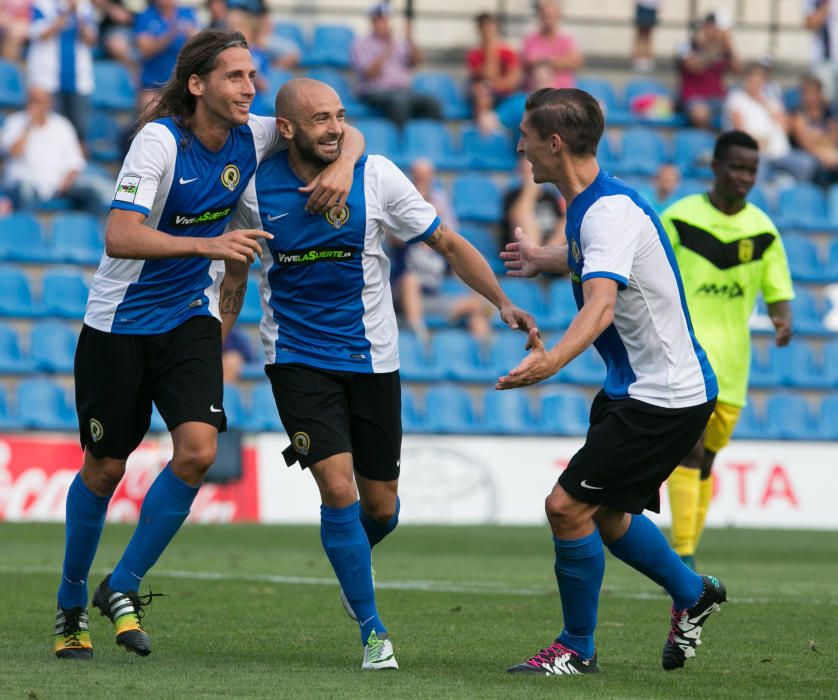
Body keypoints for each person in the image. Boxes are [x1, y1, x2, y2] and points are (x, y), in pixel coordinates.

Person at [52, 29, 366, 661]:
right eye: (234, 77)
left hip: (188, 317)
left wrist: (344, 164)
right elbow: (118, 235)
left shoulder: (254, 133)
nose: (250, 87)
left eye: (252, 75)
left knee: (197, 452)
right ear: (197, 86)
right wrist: (209, 245)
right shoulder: (159, 143)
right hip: (118, 324)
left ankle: (125, 586)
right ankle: (69, 604)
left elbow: (344, 130)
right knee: (105, 468)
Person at [225, 77, 535, 671]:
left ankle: (350, 564)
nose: (335, 128)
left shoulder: (377, 176)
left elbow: (445, 241)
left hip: (372, 359)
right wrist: (211, 351)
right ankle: (373, 633)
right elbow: (235, 278)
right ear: (286, 129)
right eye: (319, 119)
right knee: (337, 489)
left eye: (340, 116)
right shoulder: (255, 189)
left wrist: (501, 302)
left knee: (382, 507)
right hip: (294, 358)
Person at [498, 87, 725, 676]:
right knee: (604, 514)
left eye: (525, 135)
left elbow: (600, 305)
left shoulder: (607, 212)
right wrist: (547, 258)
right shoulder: (593, 207)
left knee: (566, 507)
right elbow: (597, 259)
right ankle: (692, 591)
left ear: (554, 143)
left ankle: (577, 647)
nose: (519, 145)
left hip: (663, 398)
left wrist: (550, 364)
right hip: (640, 388)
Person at [661, 130, 794, 570]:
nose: (744, 176)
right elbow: (648, 268)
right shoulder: (679, 218)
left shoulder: (762, 230)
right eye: (736, 167)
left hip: (735, 365)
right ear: (715, 167)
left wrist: (781, 318)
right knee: (689, 450)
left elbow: (778, 289)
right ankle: (682, 554)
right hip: (685, 357)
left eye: (751, 170)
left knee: (707, 460)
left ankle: (687, 552)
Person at [391, 158, 494, 343]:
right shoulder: (406, 237)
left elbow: (460, 269)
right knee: (410, 281)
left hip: (429, 300)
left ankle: (485, 354)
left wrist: (479, 294)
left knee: (477, 306)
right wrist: (418, 196)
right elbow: (394, 237)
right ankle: (419, 337)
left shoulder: (441, 247)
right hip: (400, 296)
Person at [0, 86, 103, 214]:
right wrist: (28, 126)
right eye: (31, 101)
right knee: (24, 191)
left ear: (49, 103)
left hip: (59, 186)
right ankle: (29, 231)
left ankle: (90, 230)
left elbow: (76, 162)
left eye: (38, 101)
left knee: (93, 190)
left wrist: (67, 181)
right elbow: (14, 151)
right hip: (25, 185)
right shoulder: (15, 122)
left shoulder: (62, 125)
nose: (34, 106)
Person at [350, 2, 441, 127]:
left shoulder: (400, 43)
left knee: (432, 103)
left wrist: (410, 39)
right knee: (399, 101)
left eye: (386, 19)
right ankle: (398, 141)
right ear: (373, 21)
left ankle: (426, 141)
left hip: (403, 91)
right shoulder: (360, 44)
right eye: (380, 20)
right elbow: (369, 73)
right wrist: (387, 49)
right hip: (374, 92)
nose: (385, 23)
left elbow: (417, 61)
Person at [724, 62, 818, 182]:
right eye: (753, 80)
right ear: (746, 80)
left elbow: (785, 128)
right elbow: (738, 129)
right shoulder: (737, 98)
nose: (756, 84)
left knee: (807, 163)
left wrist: (765, 105)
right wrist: (754, 142)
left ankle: (796, 196)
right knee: (758, 162)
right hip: (755, 151)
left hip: (780, 152)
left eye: (759, 81)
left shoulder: (772, 101)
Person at [27, 0, 98, 139]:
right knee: (50, 128)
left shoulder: (84, 6)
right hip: (47, 77)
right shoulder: (42, 4)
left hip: (79, 78)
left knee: (80, 130)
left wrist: (78, 15)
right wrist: (65, 13)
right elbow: (41, 34)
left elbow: (91, 39)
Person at [677, 12, 739, 130]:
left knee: (741, 110)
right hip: (693, 97)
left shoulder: (725, 48)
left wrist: (730, 46)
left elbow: (737, 70)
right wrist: (713, 47)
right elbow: (694, 67)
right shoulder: (687, 45)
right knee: (701, 114)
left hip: (719, 96)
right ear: (708, 26)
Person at [134, 0, 200, 109]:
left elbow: (200, 45)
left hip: (184, 86)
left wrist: (191, 34)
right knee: (151, 108)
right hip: (153, 87)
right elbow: (145, 50)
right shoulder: (145, 16)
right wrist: (170, 34)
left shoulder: (187, 13)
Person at [467, 12, 522, 135]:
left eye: (490, 27)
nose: (488, 32)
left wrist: (496, 85)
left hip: (504, 93)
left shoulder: (508, 52)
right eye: (484, 28)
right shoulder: (474, 54)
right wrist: (491, 50)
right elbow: (488, 74)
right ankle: (485, 134)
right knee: (481, 93)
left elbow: (513, 80)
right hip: (487, 94)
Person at [521, 0, 583, 90]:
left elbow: (577, 61)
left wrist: (545, 61)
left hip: (564, 93)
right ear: (540, 16)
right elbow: (529, 62)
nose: (549, 20)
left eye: (552, 16)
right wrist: (561, 61)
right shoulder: (530, 39)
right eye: (546, 15)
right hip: (537, 93)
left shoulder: (567, 40)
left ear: (559, 17)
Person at [789, 73, 838, 185]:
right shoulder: (797, 113)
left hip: (831, 151)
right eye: (806, 92)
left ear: (819, 93)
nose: (810, 96)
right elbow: (804, 142)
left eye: (813, 92)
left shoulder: (829, 111)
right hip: (812, 155)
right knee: (820, 168)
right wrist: (822, 153)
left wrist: (817, 137)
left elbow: (835, 137)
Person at [804, 0, 838, 101]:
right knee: (826, 101)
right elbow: (811, 24)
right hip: (823, 61)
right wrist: (825, 5)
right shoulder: (813, 2)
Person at [632, 0, 660, 73]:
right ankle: (638, 59)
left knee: (648, 34)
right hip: (642, 7)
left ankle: (647, 59)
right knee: (641, 34)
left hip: (652, 7)